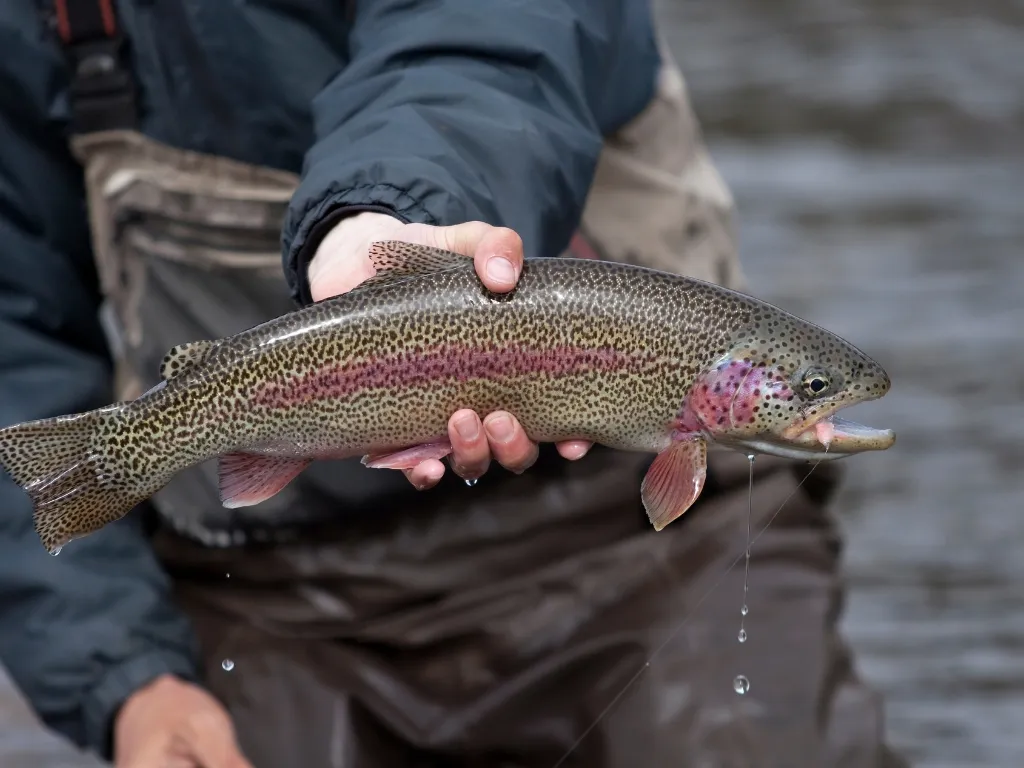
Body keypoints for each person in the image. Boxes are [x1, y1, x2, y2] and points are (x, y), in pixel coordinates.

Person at [0, 1, 907, 766]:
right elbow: (15, 346)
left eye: (809, 385)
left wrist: (400, 212)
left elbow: (487, 36)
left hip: (628, 546)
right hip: (272, 590)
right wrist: (125, 678)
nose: (819, 395)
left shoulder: (691, 446)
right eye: (812, 385)